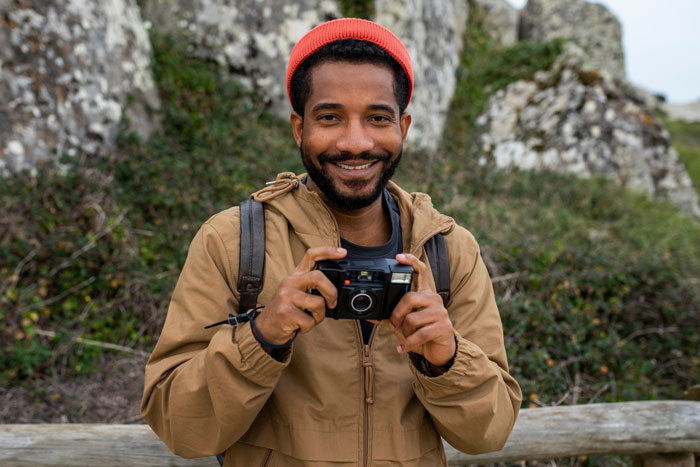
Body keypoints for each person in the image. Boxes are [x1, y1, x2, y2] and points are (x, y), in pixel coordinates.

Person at [141, 18, 522, 466]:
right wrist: (262, 337)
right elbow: (179, 427)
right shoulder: (233, 242)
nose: (355, 142)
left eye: (378, 118)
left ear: (404, 126)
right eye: (330, 117)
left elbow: (489, 432)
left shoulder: (448, 249)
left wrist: (446, 358)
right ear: (299, 129)